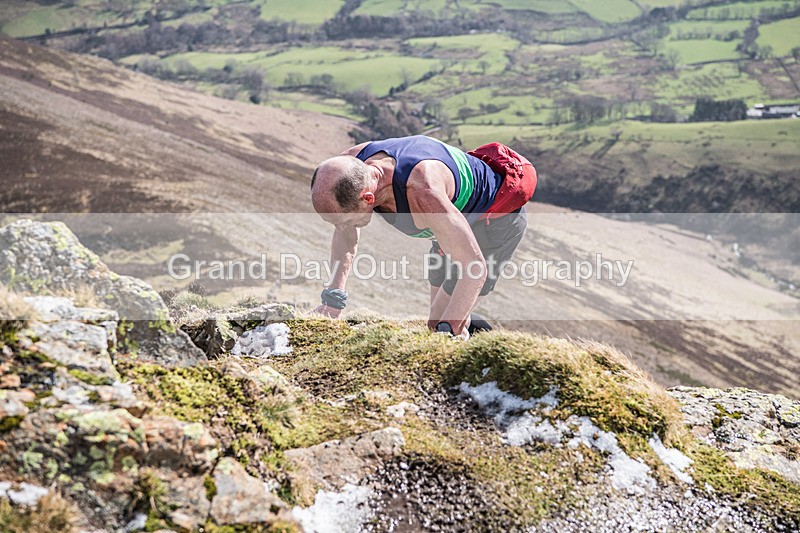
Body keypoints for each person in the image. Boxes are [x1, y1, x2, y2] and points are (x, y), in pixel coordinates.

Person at [310, 135, 536, 339]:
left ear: (368, 198)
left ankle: (489, 352)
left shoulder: (423, 193)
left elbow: (474, 268)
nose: (343, 227)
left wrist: (447, 331)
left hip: (495, 224)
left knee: (441, 326)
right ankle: (473, 336)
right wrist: (333, 301)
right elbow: (345, 233)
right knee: (438, 318)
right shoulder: (349, 167)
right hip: (447, 227)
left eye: (347, 220)